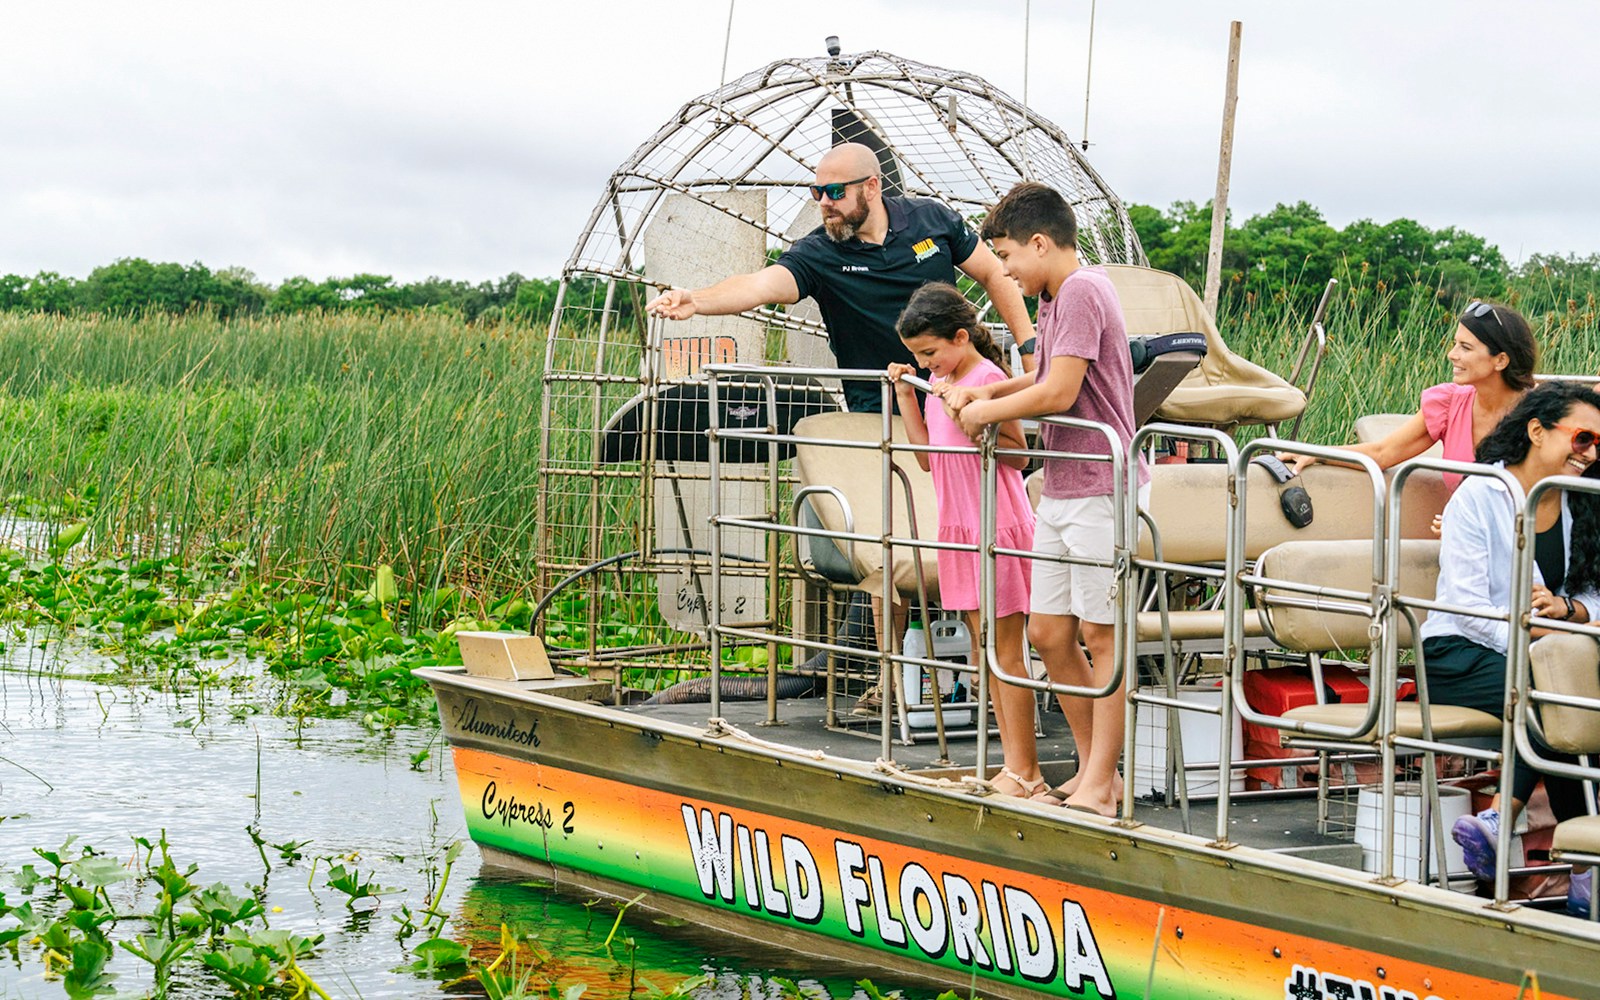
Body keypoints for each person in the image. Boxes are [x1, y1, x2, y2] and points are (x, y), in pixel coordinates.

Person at [940, 181, 1150, 817]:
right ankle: (1095, 771)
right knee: (1050, 631)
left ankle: (1102, 783)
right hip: (1061, 486)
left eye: (1006, 257)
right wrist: (990, 392)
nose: (1002, 271)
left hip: (1098, 488)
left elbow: (1060, 391)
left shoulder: (1083, 289)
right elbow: (1046, 372)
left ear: (1039, 243)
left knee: (1100, 635)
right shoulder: (1056, 296)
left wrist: (988, 407)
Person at [644, 142, 1034, 412]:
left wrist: (1030, 349)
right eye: (818, 193)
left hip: (960, 391)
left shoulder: (931, 219)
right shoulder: (819, 252)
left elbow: (993, 273)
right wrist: (697, 300)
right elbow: (760, 285)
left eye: (834, 191)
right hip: (878, 408)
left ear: (871, 186)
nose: (825, 203)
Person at [1419, 381, 1600, 916]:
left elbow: (1592, 595)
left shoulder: (1580, 502)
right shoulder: (1479, 495)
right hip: (1459, 650)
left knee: (1568, 695)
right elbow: (1469, 606)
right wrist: (1535, 638)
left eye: (1597, 445)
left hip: (1538, 655)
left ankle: (1581, 866)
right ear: (1537, 430)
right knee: (1556, 695)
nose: (1589, 453)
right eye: (1583, 437)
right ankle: (1517, 825)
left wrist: (1568, 614)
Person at [887, 283, 1040, 797]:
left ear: (959, 336)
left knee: (1005, 655)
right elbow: (929, 458)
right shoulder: (940, 382)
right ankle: (1016, 768)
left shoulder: (988, 380)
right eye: (917, 356)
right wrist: (910, 393)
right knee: (985, 652)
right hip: (959, 530)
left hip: (995, 526)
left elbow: (1020, 457)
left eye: (930, 353)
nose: (927, 363)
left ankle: (1026, 772)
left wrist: (974, 421)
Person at [1281, 300, 1537, 493]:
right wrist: (1317, 453)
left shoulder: (1541, 413)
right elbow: (1383, 452)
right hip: (1463, 547)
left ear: (1501, 360)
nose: (1451, 354)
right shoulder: (1449, 404)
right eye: (1455, 343)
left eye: (1465, 347)